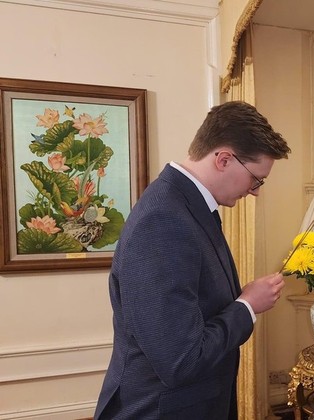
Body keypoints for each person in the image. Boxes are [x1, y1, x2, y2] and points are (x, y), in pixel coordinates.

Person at [94, 101, 291, 419]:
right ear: (224, 159)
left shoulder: (188, 205)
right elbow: (180, 361)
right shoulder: (162, 221)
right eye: (256, 179)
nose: (255, 192)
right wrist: (247, 307)